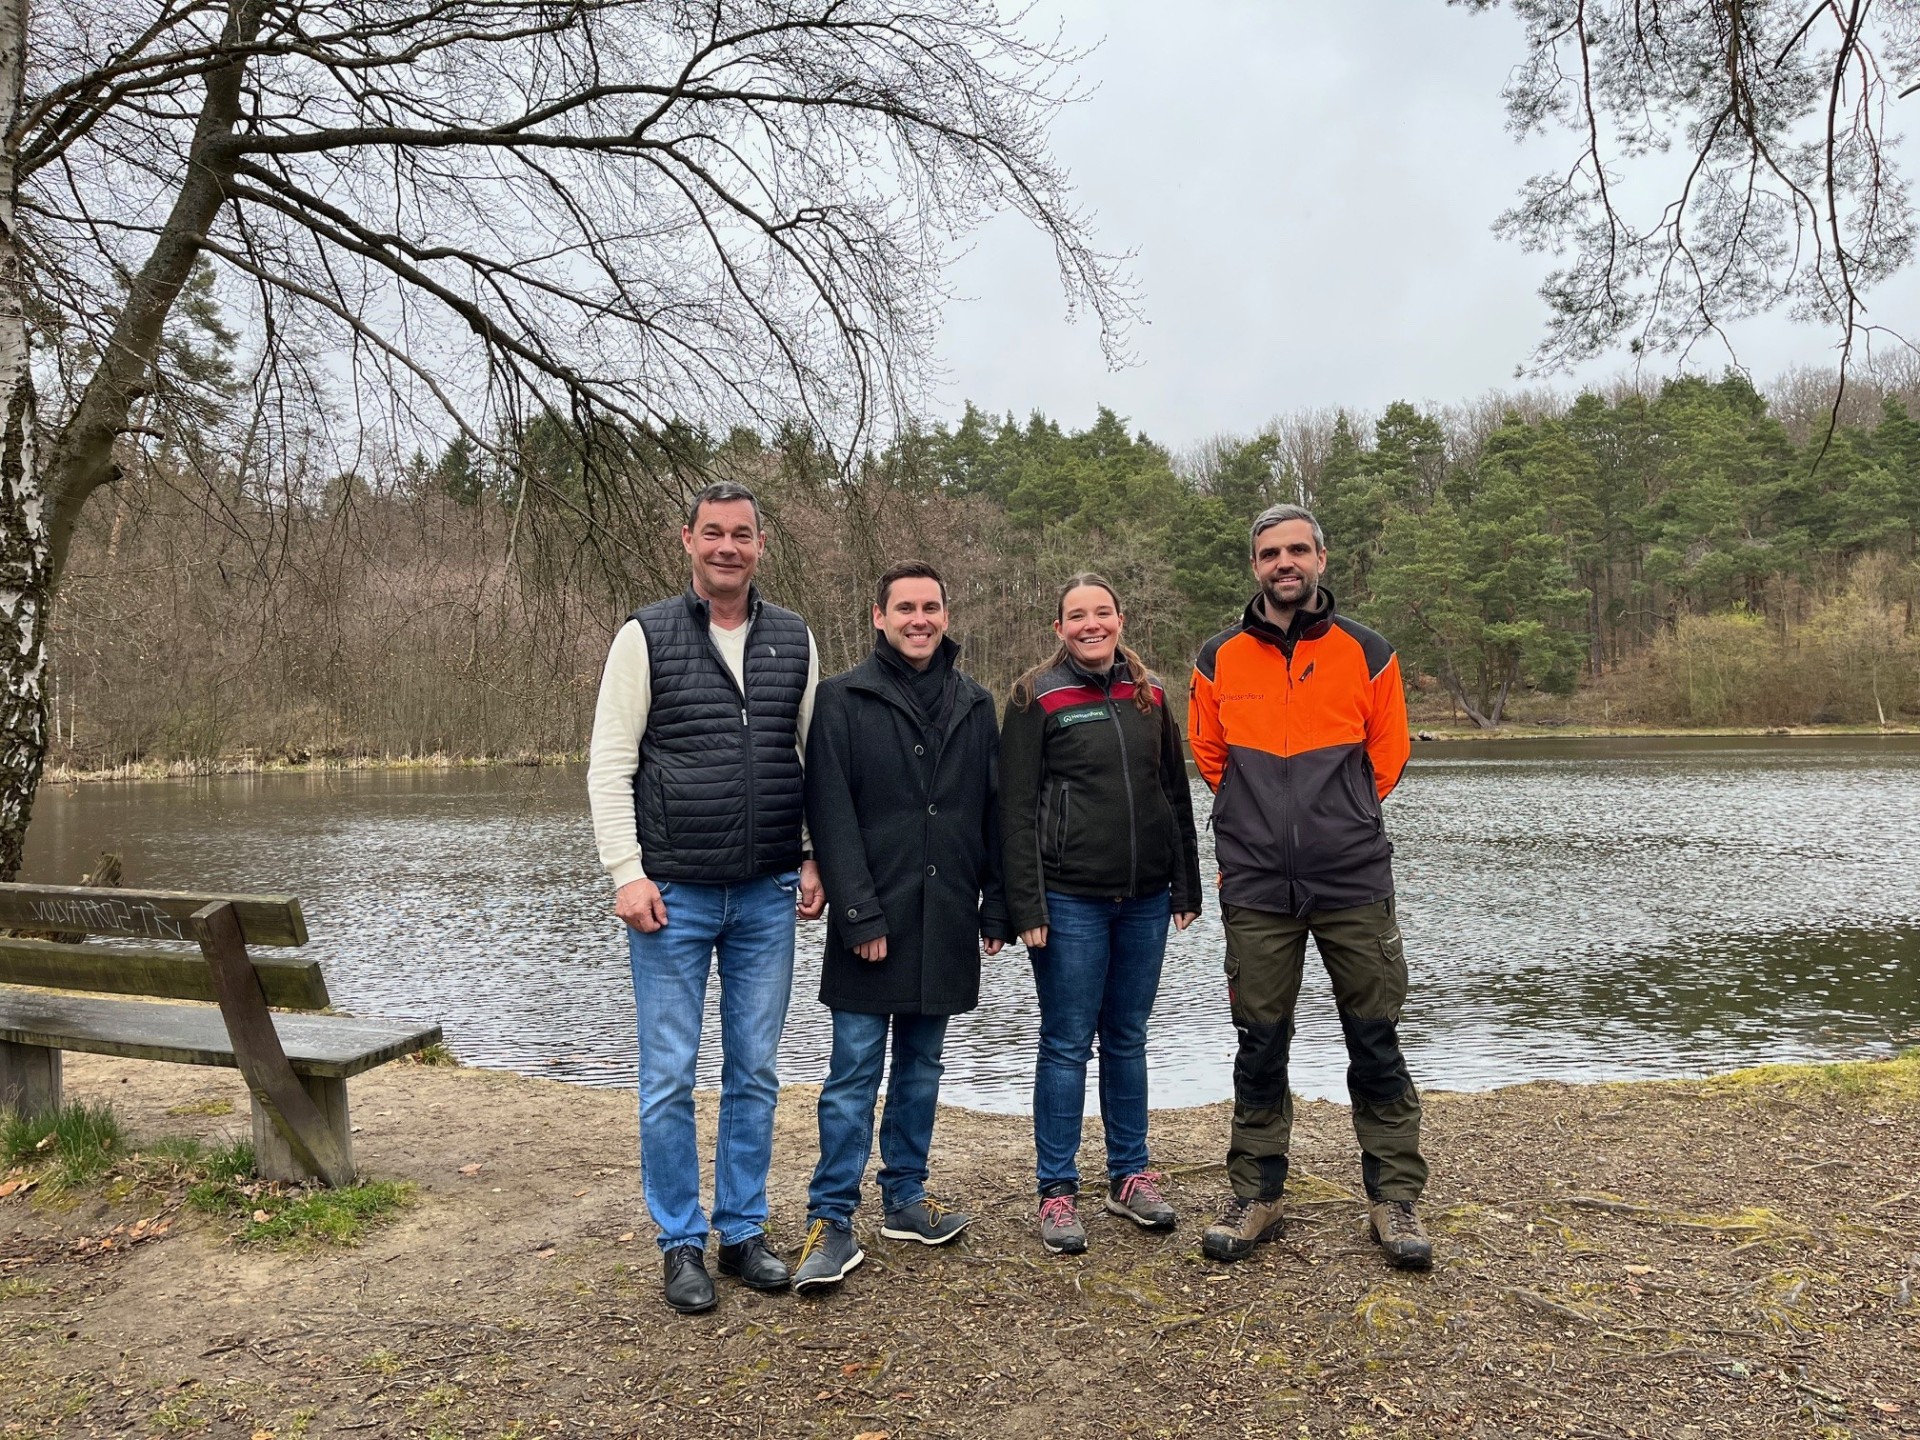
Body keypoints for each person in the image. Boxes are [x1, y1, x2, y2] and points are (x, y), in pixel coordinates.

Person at [585, 480, 826, 1315]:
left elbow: (813, 763)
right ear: (686, 540)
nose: (728, 547)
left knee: (755, 1071)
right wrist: (627, 871)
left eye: (743, 535)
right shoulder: (643, 635)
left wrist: (815, 857)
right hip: (672, 897)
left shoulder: (794, 637)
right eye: (713, 533)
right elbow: (610, 764)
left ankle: (743, 1232)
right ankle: (680, 1242)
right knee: (667, 1077)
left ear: (761, 545)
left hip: (766, 894)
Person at [1187, 503, 1431, 1270]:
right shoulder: (1216, 658)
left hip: (1352, 878)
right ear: (1255, 565)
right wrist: (1264, 828)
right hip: (1257, 886)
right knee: (1260, 1040)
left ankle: (1394, 1198)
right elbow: (1211, 758)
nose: (1283, 563)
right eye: (1269, 553)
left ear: (1322, 559)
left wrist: (1336, 821)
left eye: (1297, 550)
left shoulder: (1370, 652)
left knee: (1376, 1035)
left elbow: (1386, 760)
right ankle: (1258, 1193)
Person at [790, 561, 1013, 1292]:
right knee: (853, 1072)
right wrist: (857, 913)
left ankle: (907, 1198)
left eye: (931, 607)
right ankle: (831, 1217)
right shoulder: (842, 700)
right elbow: (830, 810)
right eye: (905, 608)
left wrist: (997, 903)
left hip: (945, 916)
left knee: (922, 1067)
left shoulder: (976, 704)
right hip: (870, 918)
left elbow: (993, 813)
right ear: (879, 617)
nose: (920, 619)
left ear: (946, 616)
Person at [999, 573, 1203, 1254]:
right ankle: (1056, 1190)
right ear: (1058, 627)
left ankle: (1130, 1176)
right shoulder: (1037, 697)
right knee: (1065, 1041)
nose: (1091, 625)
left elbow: (1174, 793)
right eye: (1076, 616)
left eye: (1102, 613)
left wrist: (1186, 884)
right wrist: (1025, 902)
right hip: (1068, 900)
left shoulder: (1150, 695)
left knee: (1127, 1036)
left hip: (1144, 899)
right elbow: (1016, 810)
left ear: (1121, 619)